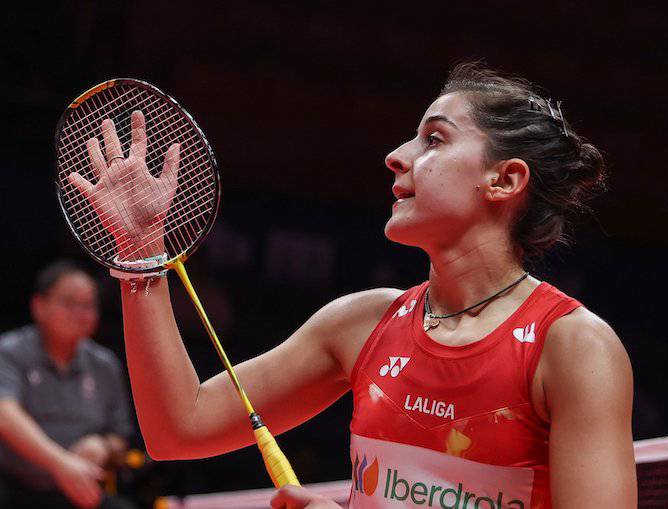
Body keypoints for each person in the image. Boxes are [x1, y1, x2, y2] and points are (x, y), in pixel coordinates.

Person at [69, 62, 637, 508]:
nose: (396, 157)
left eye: (434, 140)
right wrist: (141, 251)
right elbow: (179, 427)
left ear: (505, 179)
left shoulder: (571, 349)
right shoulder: (363, 325)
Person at [0, 261, 136, 509]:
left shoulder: (105, 365)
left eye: (88, 305)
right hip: (15, 490)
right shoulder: (9, 352)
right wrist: (61, 464)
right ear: (39, 306)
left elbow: (120, 436)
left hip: (83, 490)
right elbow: (5, 416)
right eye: (69, 303)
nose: (80, 313)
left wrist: (103, 445)